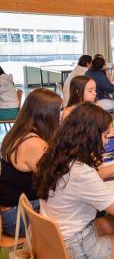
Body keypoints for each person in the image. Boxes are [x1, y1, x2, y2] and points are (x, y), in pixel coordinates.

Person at [33, 102, 114, 259]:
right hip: (77, 247)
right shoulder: (81, 172)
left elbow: (87, 178)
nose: (107, 141)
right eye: (104, 135)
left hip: (55, 238)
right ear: (90, 136)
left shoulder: (59, 154)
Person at [0, 88, 62, 236]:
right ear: (47, 115)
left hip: (13, 209)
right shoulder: (34, 144)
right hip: (18, 217)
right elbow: (55, 180)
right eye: (59, 111)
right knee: (85, 210)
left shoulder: (19, 133)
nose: (61, 115)